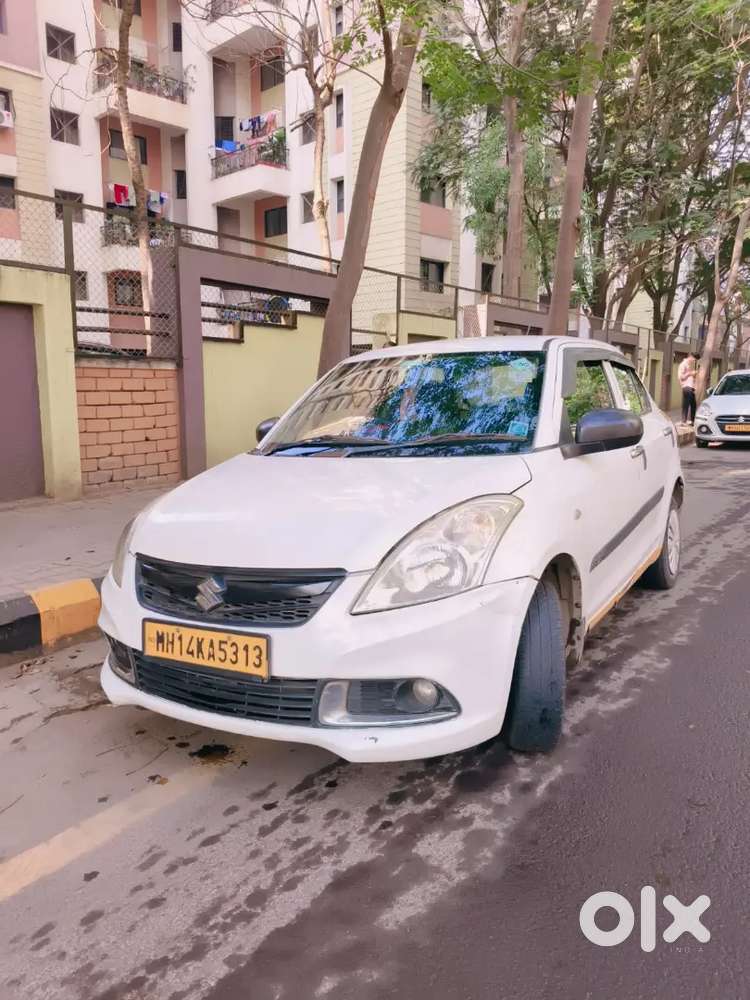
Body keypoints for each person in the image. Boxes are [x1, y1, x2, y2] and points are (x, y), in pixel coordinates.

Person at [678, 352, 699, 425]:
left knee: (693, 405)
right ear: (691, 357)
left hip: (691, 387)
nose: (694, 361)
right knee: (686, 404)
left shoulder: (689, 365)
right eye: (694, 359)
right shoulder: (683, 364)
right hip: (686, 387)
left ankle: (692, 421)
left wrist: (693, 376)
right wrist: (690, 373)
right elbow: (681, 377)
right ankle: (683, 421)